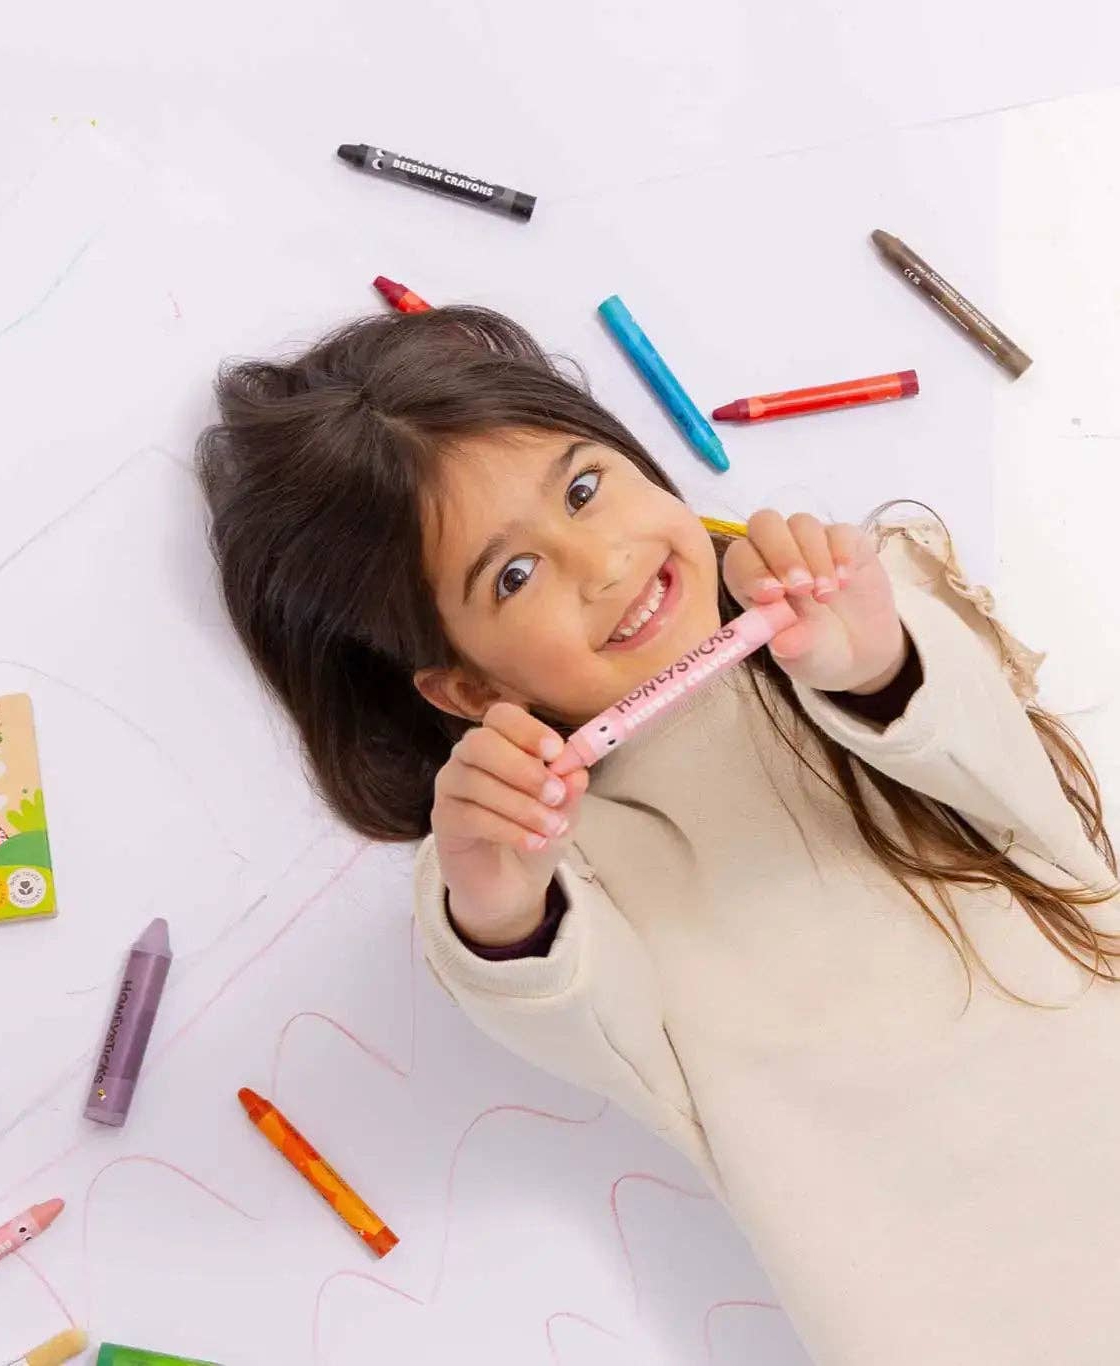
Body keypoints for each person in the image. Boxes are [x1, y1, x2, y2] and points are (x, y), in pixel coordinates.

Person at [198, 307, 1119, 1364]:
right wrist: (496, 900)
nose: (599, 563)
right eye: (512, 575)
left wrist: (875, 665)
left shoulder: (865, 609)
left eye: (584, 489)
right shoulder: (564, 865)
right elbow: (562, 999)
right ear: (466, 684)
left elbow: (1029, 795)